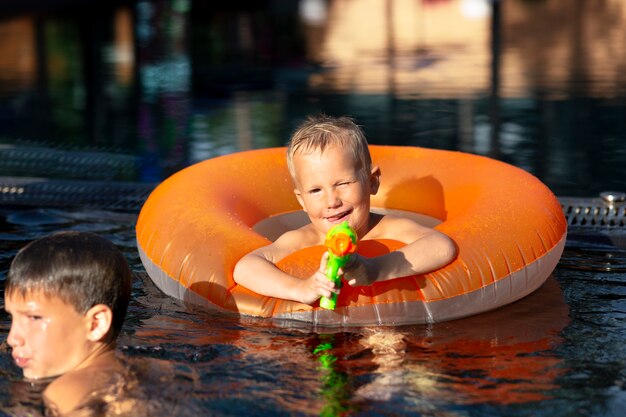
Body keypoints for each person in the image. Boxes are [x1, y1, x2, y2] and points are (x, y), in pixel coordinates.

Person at [233, 114, 457, 305]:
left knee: (388, 345)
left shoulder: (389, 229)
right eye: (315, 191)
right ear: (301, 201)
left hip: (388, 328)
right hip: (318, 336)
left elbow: (441, 245)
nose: (332, 201)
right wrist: (301, 288)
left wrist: (376, 269)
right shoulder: (303, 239)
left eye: (342, 184)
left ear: (372, 181)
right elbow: (246, 267)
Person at [4, 231, 133, 415]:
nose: (12, 339)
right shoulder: (150, 370)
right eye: (12, 317)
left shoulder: (65, 392)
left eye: (34, 318)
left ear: (96, 324)